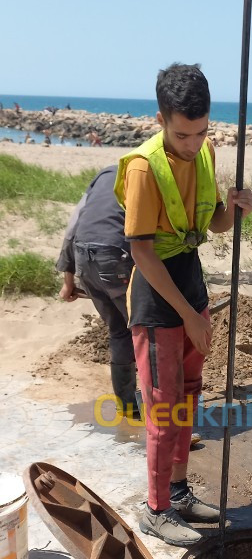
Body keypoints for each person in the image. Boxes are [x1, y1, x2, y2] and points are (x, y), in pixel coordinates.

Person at [115, 62, 252, 547]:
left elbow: (212, 225)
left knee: (188, 400)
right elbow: (142, 251)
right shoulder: (142, 168)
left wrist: (232, 209)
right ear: (160, 120)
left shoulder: (207, 152)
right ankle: (155, 508)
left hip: (191, 286)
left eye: (200, 132)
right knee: (163, 408)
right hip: (157, 299)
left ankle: (178, 493)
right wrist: (189, 318)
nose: (192, 143)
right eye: (181, 134)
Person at [57, 166, 140, 416]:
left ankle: (127, 406)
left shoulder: (104, 175)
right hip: (116, 256)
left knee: (119, 330)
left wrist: (68, 279)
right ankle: (161, 409)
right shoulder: (143, 175)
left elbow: (73, 226)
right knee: (144, 330)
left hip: (84, 256)